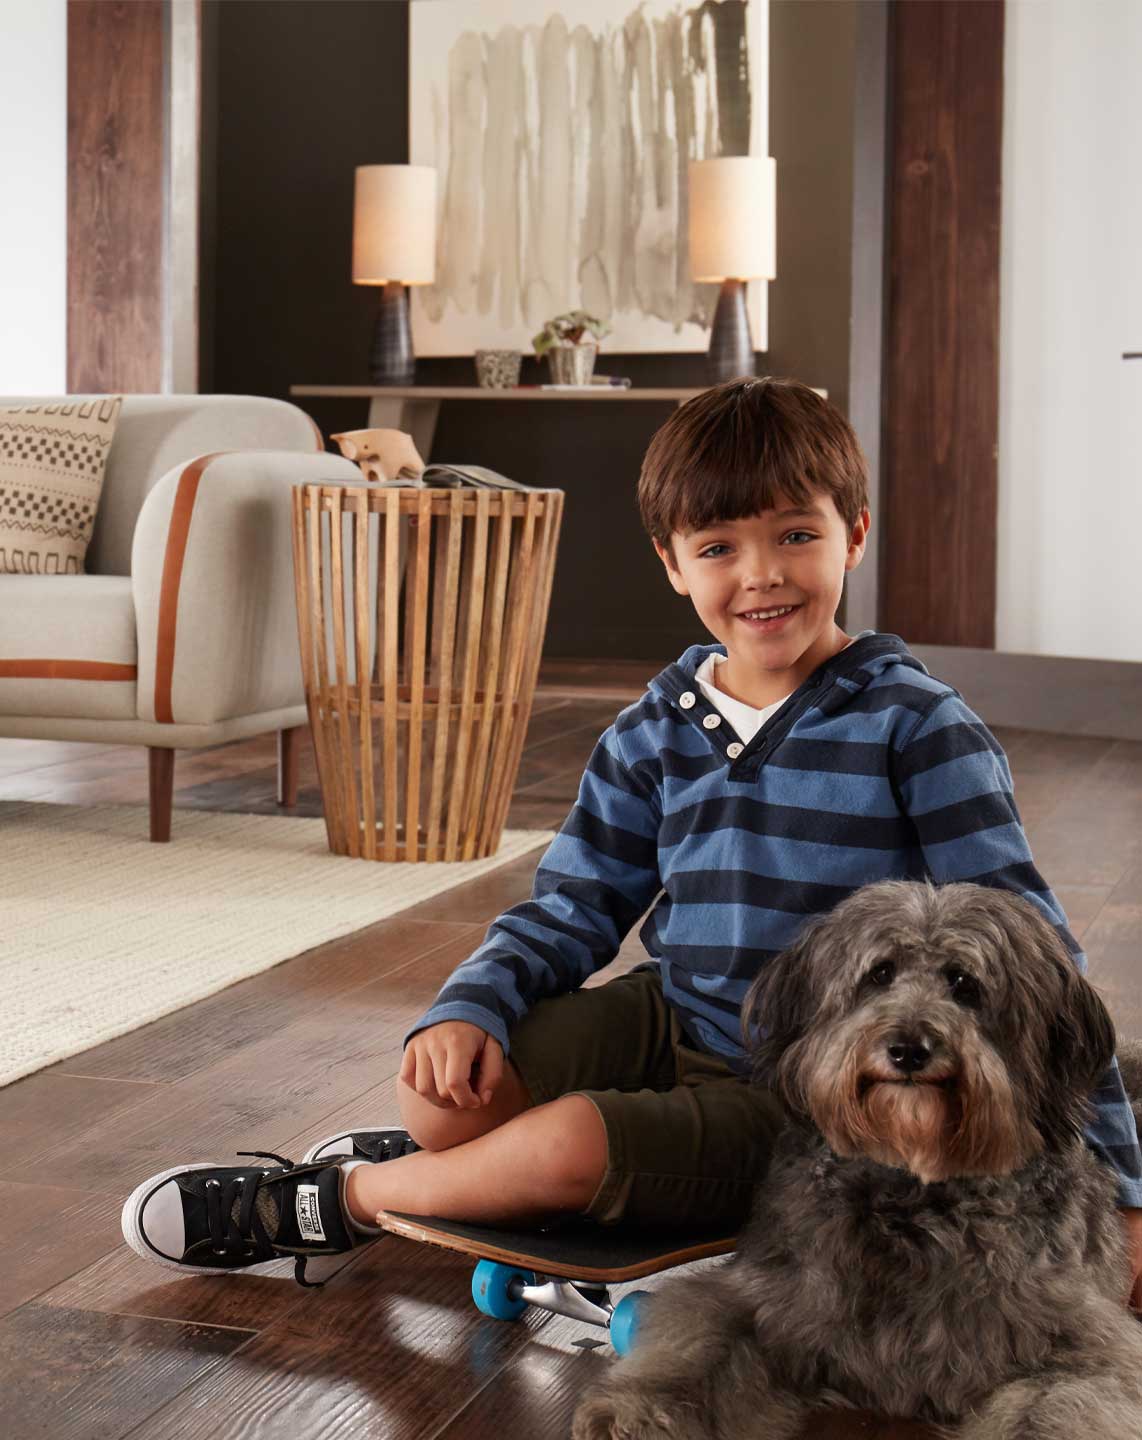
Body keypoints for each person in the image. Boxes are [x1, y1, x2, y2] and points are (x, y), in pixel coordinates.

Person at [122, 377, 1142, 1307]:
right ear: (670, 562)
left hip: (804, 1093)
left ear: (853, 535)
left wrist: (1118, 1187)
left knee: (563, 1146)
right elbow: (571, 904)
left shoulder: (915, 726)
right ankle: (449, 1165)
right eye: (717, 548)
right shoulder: (654, 727)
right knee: (438, 1093)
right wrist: (465, 1007)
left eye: (795, 536)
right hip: (673, 1019)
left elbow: (1032, 956)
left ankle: (334, 1203)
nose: (761, 577)